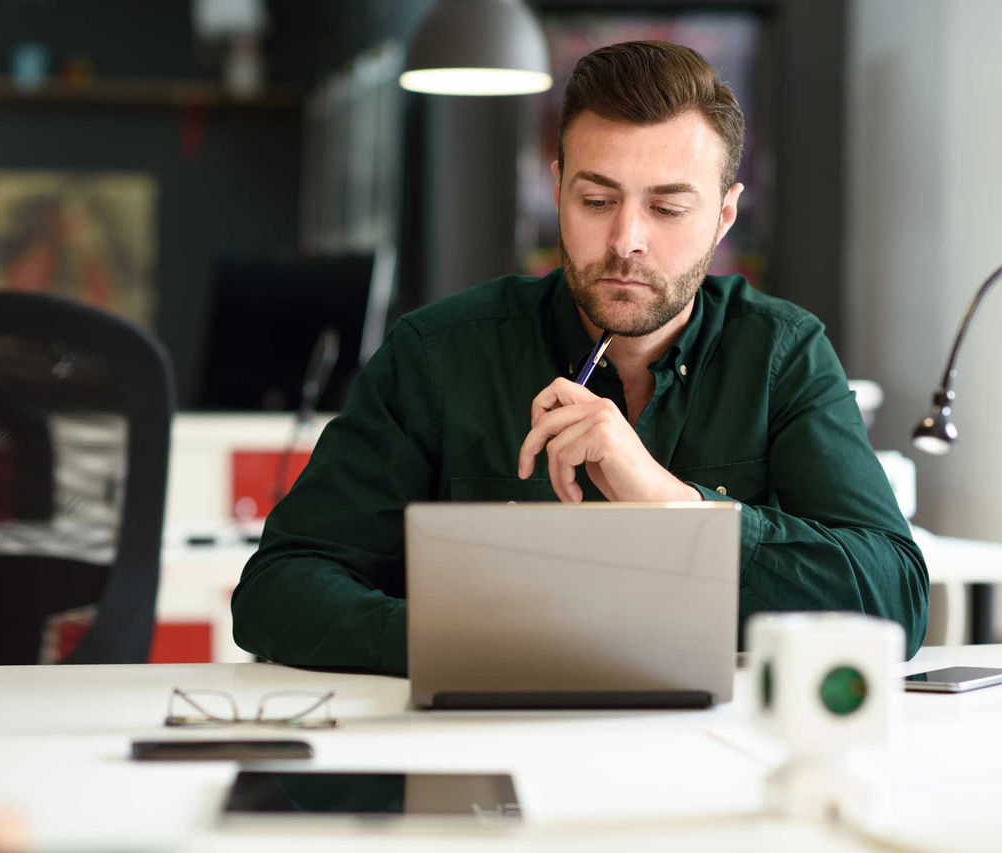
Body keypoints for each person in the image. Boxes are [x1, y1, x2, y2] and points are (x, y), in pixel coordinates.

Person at [232, 40, 929, 673]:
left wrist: (670, 503)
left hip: (712, 749)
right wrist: (465, 642)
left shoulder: (781, 352)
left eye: (667, 209)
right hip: (485, 745)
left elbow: (894, 597)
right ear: (559, 189)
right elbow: (277, 588)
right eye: (596, 200)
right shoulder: (438, 354)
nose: (626, 240)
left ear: (724, 215)